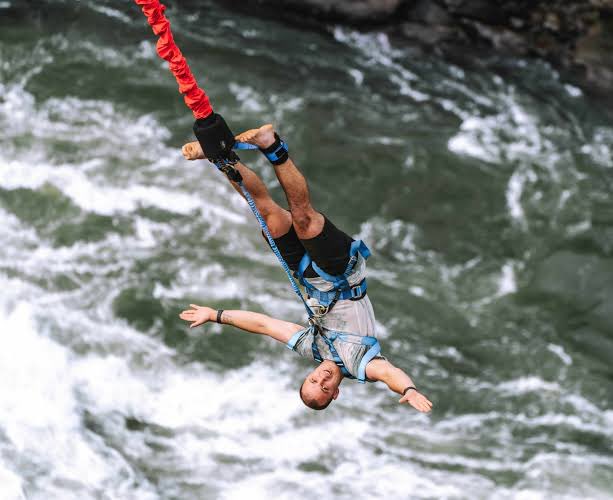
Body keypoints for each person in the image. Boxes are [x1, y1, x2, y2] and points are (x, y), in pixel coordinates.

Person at [179, 122, 432, 413]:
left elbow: (264, 325)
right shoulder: (359, 364)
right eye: (325, 387)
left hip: (308, 275)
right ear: (335, 393)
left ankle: (220, 156)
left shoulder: (310, 347)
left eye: (313, 381)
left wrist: (215, 315)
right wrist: (409, 389)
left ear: (308, 375)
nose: (322, 379)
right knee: (304, 219)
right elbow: (389, 374)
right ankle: (271, 145)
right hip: (342, 273)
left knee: (267, 214)